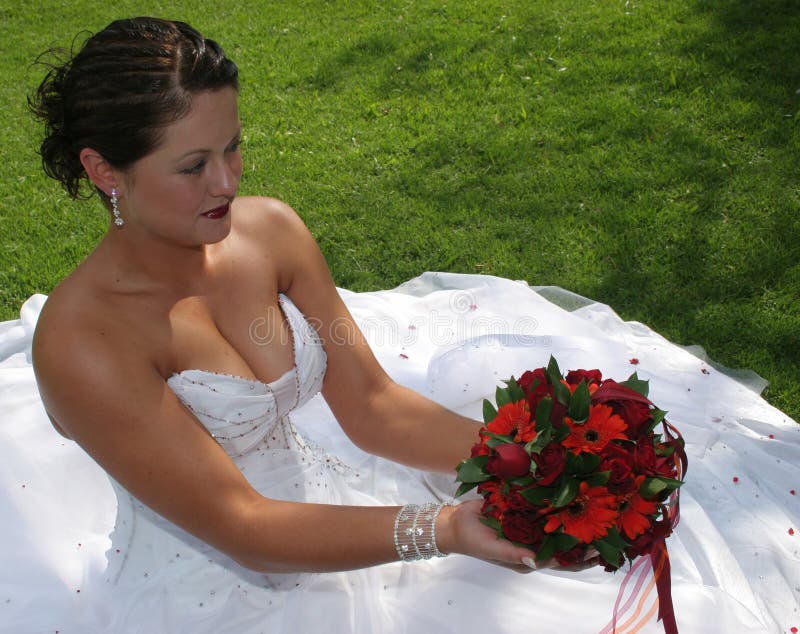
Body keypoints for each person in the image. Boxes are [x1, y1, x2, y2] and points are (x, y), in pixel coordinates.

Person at [0, 16, 797, 634]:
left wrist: (535, 463)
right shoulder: (86, 341)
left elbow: (373, 404)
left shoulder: (269, 231)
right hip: (219, 588)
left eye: (234, 147)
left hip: (339, 511)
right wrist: (444, 528)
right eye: (192, 166)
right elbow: (241, 527)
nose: (228, 181)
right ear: (105, 170)